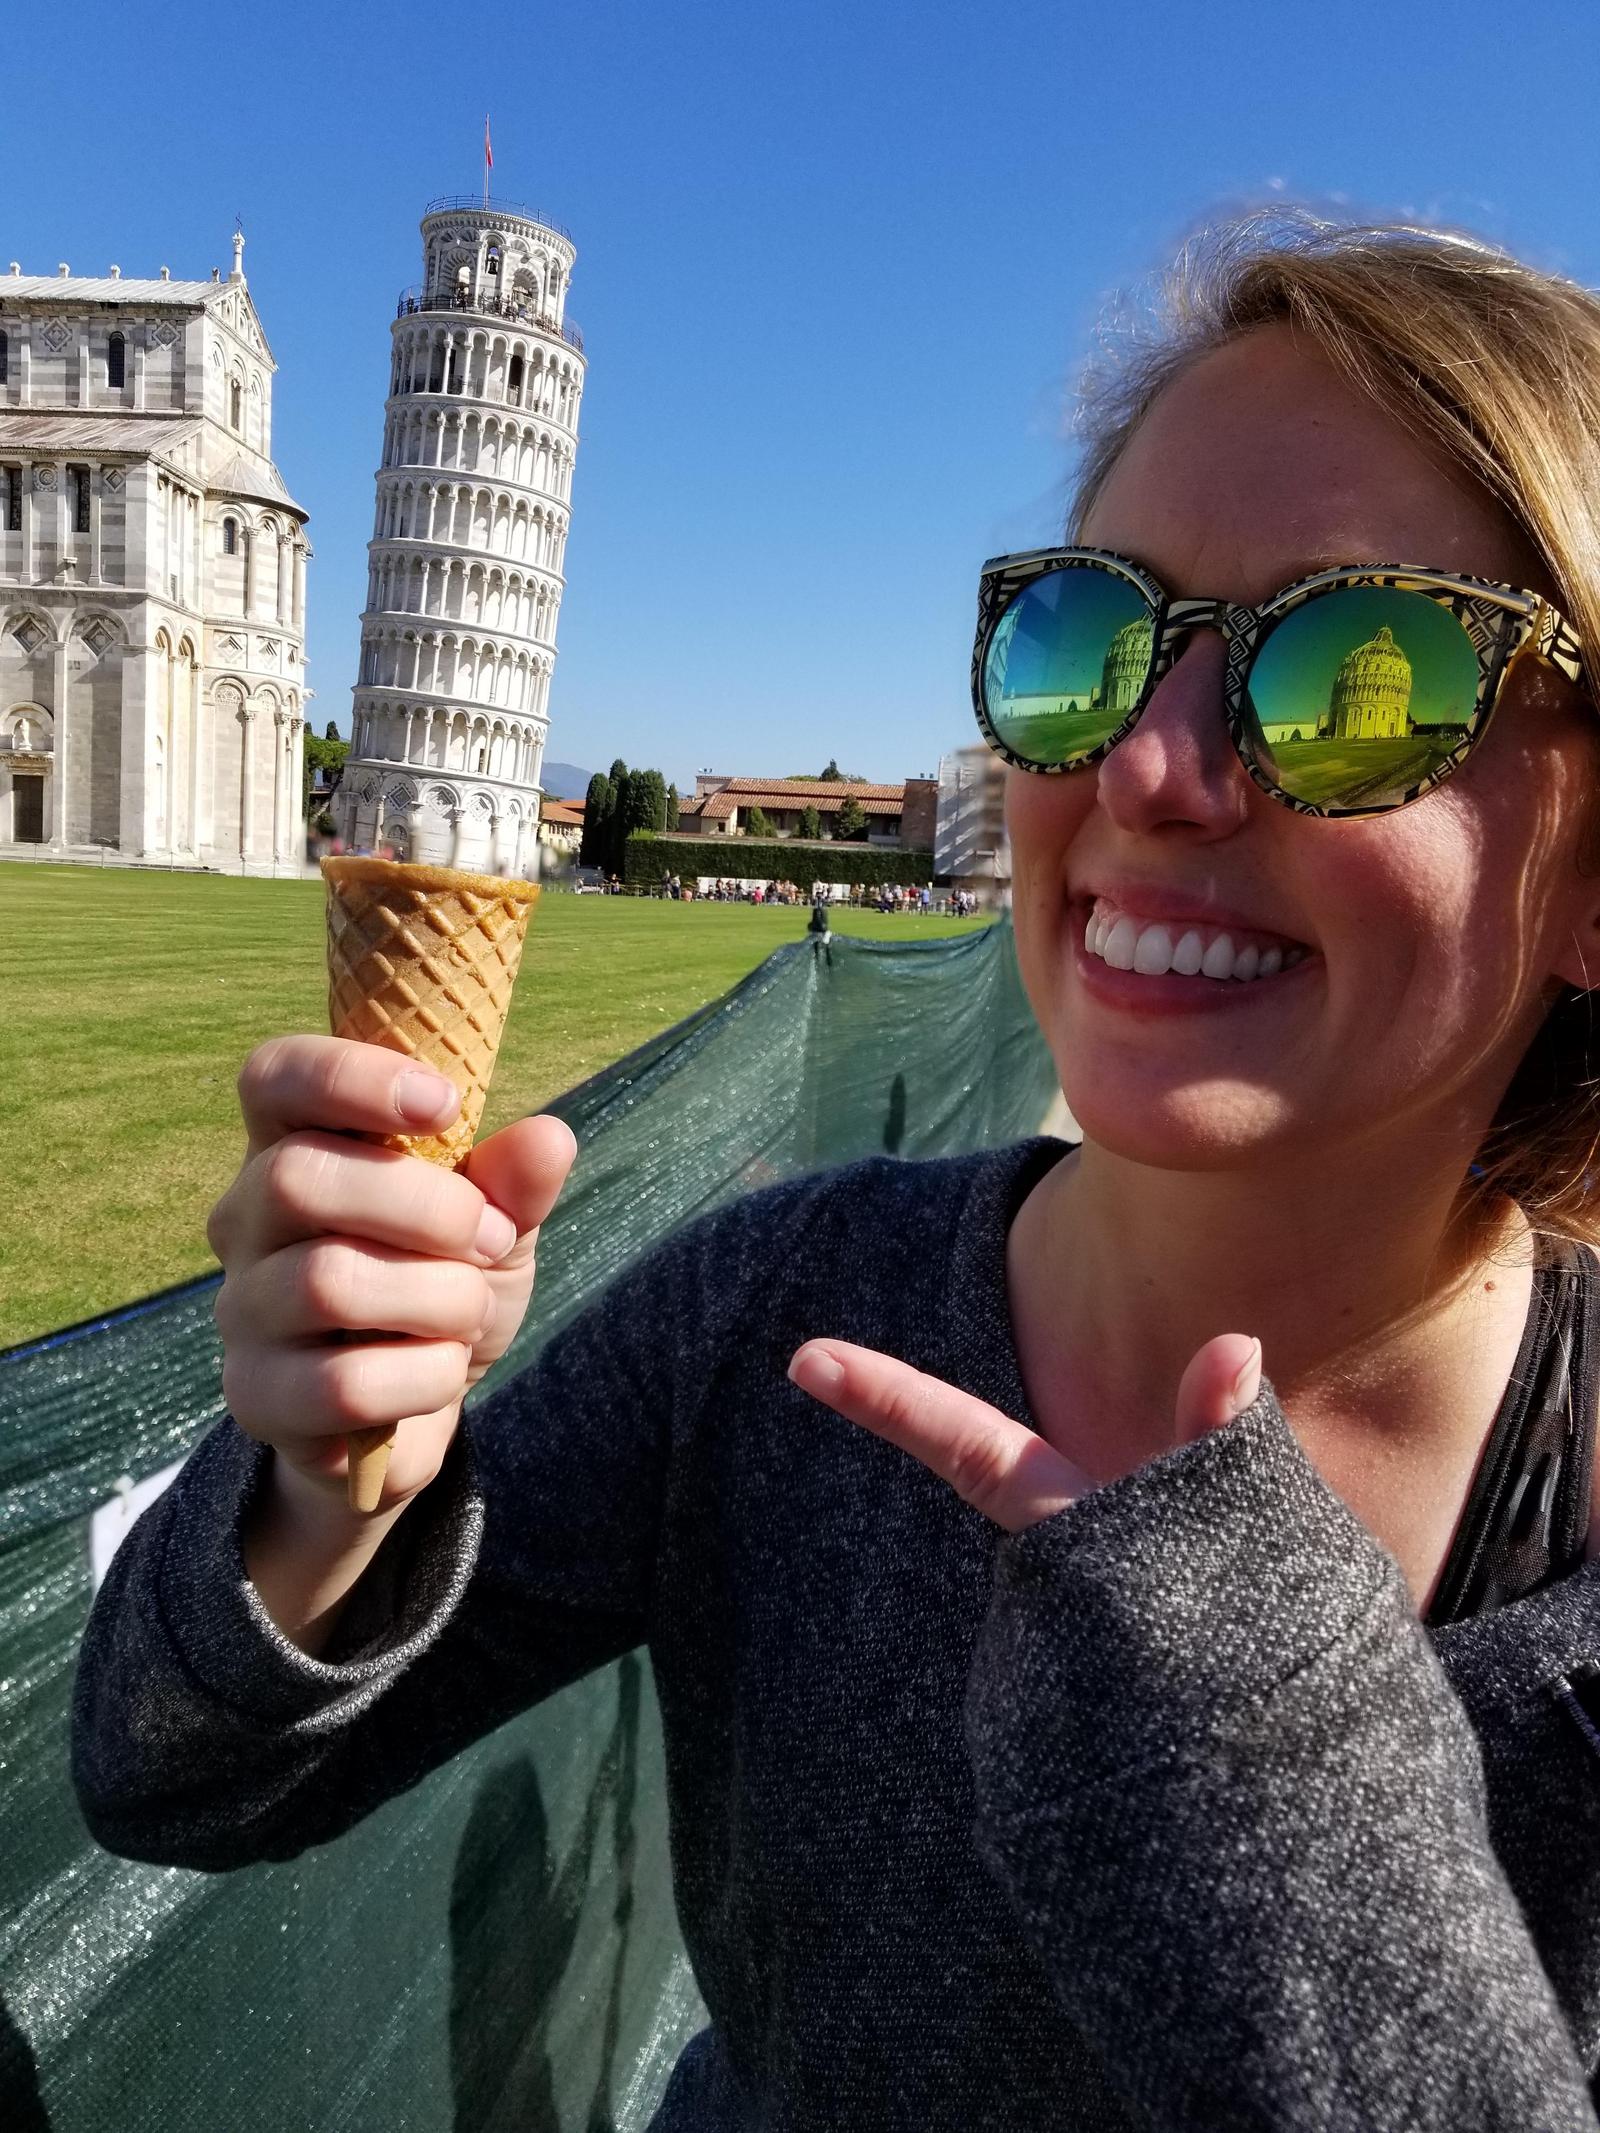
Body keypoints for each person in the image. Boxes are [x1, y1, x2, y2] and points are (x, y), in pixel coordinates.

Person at [71, 211, 1600, 2128]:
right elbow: (175, 1771)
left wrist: (1275, 1777)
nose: (1149, 767)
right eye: (1087, 640)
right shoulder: (774, 1315)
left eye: (1359, 671)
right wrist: (319, 1486)